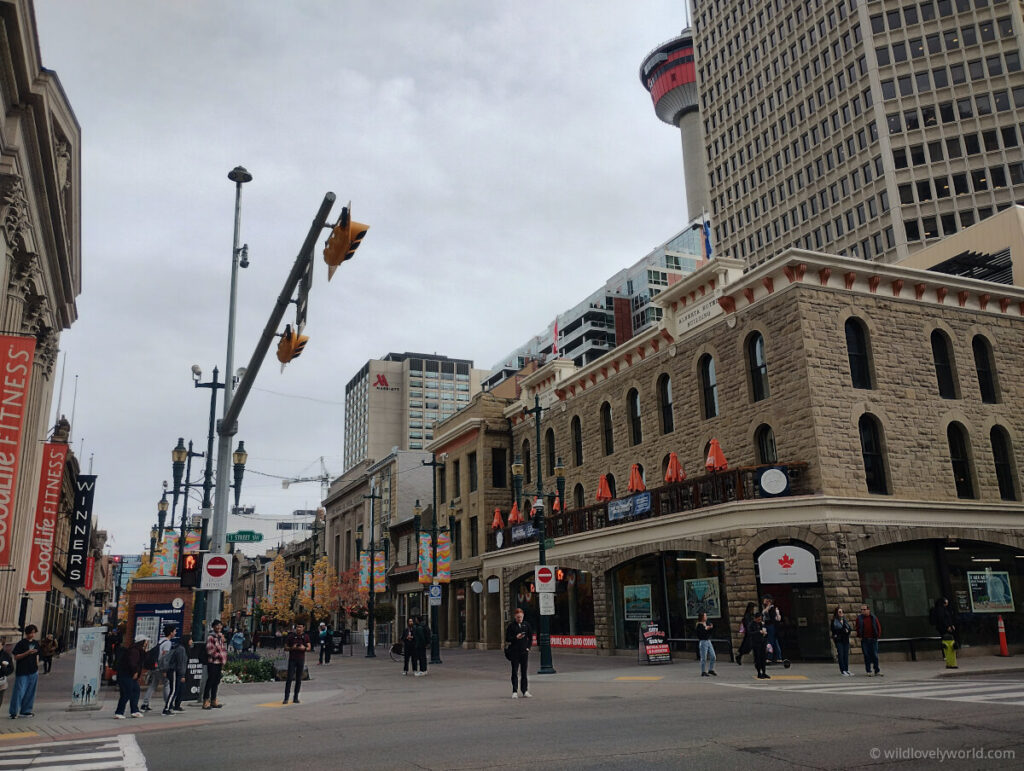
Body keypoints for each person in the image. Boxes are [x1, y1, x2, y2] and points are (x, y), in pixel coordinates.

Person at [8, 625, 41, 719]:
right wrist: (27, 653)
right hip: (22, 671)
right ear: (27, 633)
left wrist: (37, 667)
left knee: (30, 692)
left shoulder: (36, 643)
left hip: (33, 671)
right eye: (31, 632)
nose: (33, 634)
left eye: (34, 632)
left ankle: (26, 711)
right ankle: (14, 712)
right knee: (19, 691)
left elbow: (37, 656)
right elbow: (16, 657)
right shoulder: (21, 643)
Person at [113, 634, 147, 719]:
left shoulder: (137, 650)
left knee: (135, 690)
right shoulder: (134, 651)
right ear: (142, 642)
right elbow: (132, 663)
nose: (147, 643)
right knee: (126, 693)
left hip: (128, 674)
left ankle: (134, 711)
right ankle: (119, 712)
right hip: (126, 674)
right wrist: (135, 672)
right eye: (146, 641)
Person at [505, 608, 532, 698]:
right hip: (514, 651)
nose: (519, 619)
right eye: (518, 617)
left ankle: (525, 690)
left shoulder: (526, 625)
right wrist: (516, 637)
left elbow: (530, 637)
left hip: (524, 651)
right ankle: (514, 691)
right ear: (515, 617)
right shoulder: (511, 626)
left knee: (524, 671)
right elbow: (507, 638)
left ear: (523, 616)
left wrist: (528, 647)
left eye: (520, 617)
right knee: (515, 671)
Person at [283, 622, 311, 704]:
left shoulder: (305, 636)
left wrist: (304, 648)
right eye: (297, 627)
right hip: (292, 659)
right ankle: (286, 698)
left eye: (300, 627)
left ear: (303, 628)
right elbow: (285, 647)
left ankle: (296, 697)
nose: (298, 629)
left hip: (301, 659)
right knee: (289, 678)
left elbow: (309, 647)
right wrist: (292, 647)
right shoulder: (291, 636)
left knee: (298, 679)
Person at [162, 632, 189, 715]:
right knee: (173, 690)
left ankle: (170, 707)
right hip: (175, 671)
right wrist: (182, 674)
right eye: (190, 639)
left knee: (175, 690)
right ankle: (167, 708)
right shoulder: (181, 649)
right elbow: (181, 663)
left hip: (174, 670)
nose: (191, 641)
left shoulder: (177, 647)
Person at [203, 620, 227, 709]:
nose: (219, 627)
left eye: (220, 625)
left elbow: (222, 649)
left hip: (219, 663)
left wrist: (223, 659)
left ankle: (213, 700)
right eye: (217, 625)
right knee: (210, 681)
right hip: (212, 662)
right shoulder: (211, 637)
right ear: (213, 627)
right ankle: (206, 700)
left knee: (216, 682)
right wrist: (220, 656)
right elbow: (210, 650)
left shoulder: (220, 637)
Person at [855, 603, 882, 677]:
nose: (862, 611)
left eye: (864, 609)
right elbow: (857, 627)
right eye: (861, 610)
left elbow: (878, 626)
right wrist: (859, 635)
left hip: (873, 639)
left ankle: (877, 671)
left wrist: (878, 635)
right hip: (864, 639)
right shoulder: (859, 618)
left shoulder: (873, 617)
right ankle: (868, 671)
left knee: (875, 655)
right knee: (866, 655)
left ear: (868, 610)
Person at [831, 607, 853, 676]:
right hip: (839, 640)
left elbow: (849, 629)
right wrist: (844, 630)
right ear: (836, 613)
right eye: (839, 612)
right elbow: (834, 631)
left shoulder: (844, 620)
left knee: (846, 655)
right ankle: (843, 670)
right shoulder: (834, 621)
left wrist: (846, 631)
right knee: (841, 655)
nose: (841, 613)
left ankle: (846, 669)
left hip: (845, 640)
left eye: (842, 611)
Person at [748, 610, 770, 679]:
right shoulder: (751, 624)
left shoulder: (761, 624)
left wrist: (764, 633)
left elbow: (764, 631)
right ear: (755, 618)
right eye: (759, 619)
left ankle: (764, 672)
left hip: (762, 642)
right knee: (758, 659)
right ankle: (759, 673)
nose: (760, 620)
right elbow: (750, 633)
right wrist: (758, 632)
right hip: (756, 643)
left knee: (763, 658)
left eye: (761, 619)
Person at [761, 595, 783, 663]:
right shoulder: (767, 607)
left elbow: (765, 613)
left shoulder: (772, 608)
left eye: (765, 599)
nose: (763, 600)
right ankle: (778, 657)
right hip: (768, 626)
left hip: (771, 626)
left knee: (770, 642)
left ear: (768, 600)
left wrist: (769, 606)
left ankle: (769, 657)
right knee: (774, 641)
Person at [695, 612, 717, 676]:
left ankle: (710, 669)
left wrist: (710, 628)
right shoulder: (699, 625)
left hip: (708, 641)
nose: (706, 617)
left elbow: (710, 632)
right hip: (703, 641)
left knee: (713, 656)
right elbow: (701, 634)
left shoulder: (707, 623)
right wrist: (706, 629)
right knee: (704, 657)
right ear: (702, 617)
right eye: (705, 616)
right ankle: (703, 671)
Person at [0, 638, 14, 711]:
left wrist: (3, 668)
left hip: (1, 681)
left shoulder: (6, 656)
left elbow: (11, 669)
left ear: (2, 645)